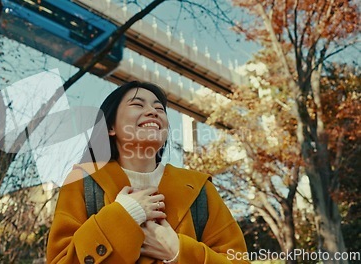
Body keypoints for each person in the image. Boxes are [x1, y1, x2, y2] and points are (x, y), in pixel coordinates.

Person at [47, 81, 248, 263]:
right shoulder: (82, 181)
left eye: (159, 108)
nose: (153, 111)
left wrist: (178, 252)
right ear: (110, 126)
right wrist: (125, 215)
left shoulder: (200, 188)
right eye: (137, 104)